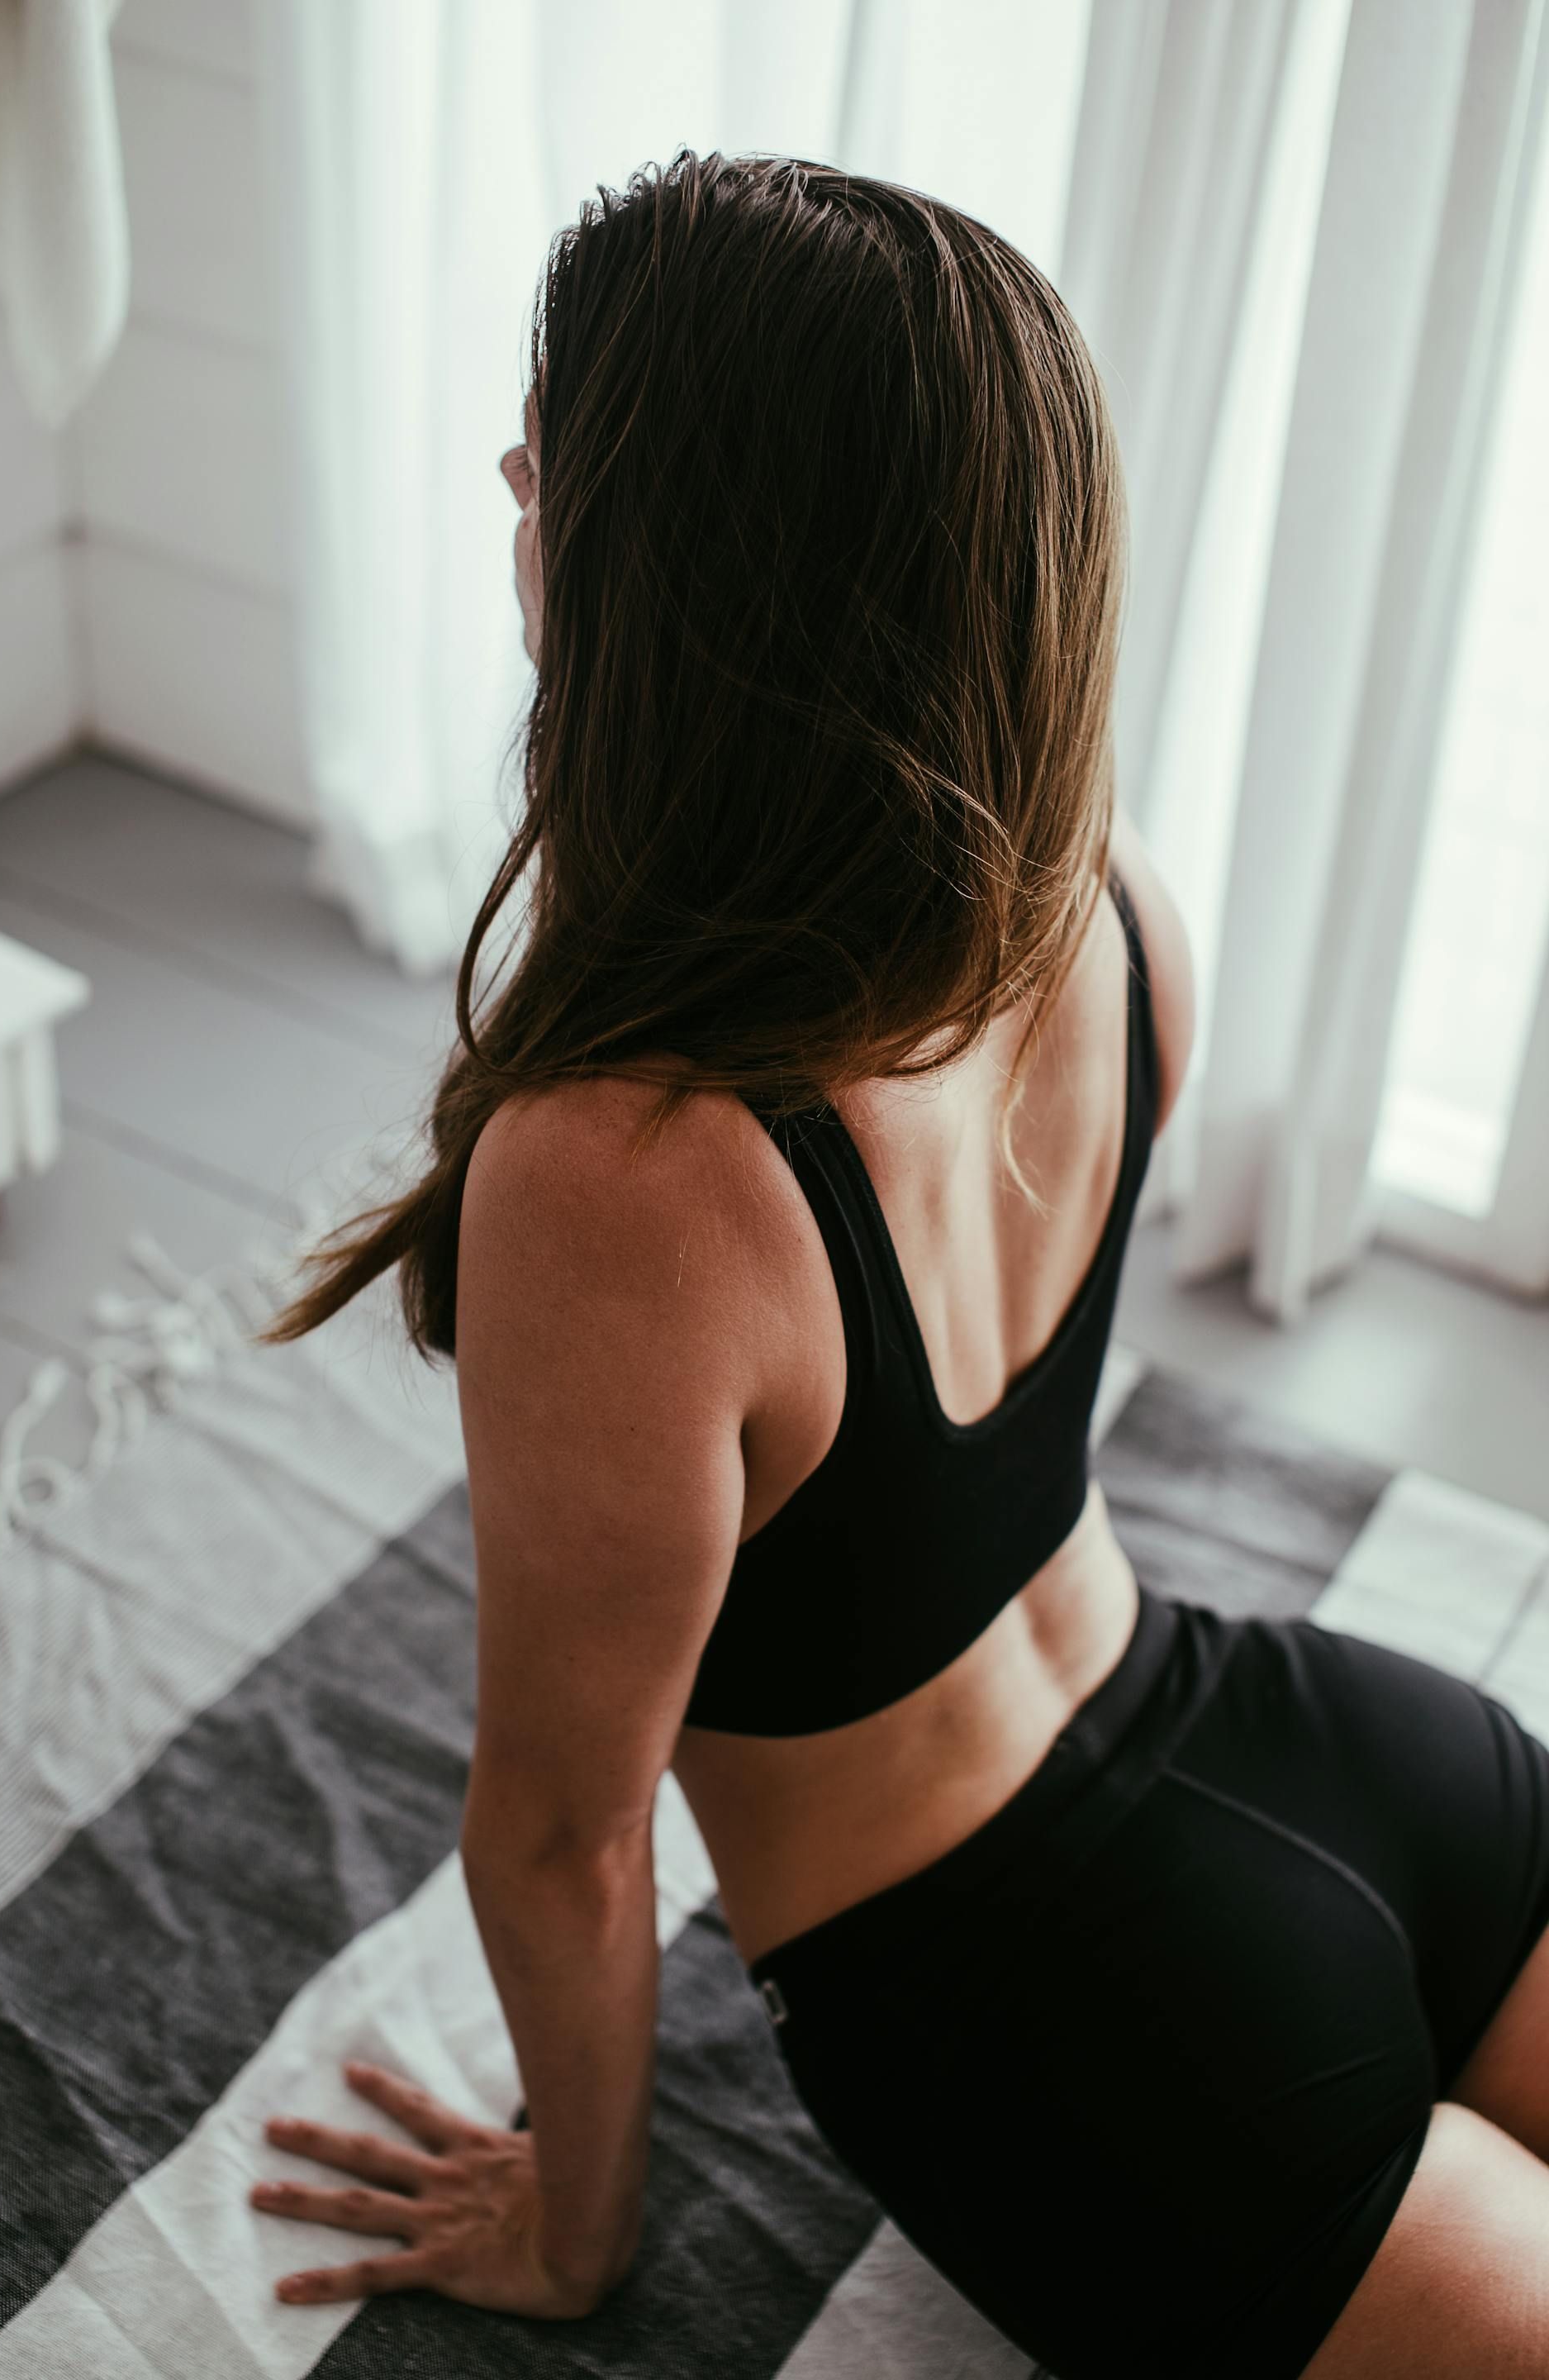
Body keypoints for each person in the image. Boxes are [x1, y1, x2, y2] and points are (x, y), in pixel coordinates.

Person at [246, 150, 1549, 2378]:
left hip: (1081, 2022)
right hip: (1367, 1757)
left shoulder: (620, 1175)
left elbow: (564, 1834)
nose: (510, 473)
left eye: (559, 444)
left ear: (696, 579)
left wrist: (577, 2237)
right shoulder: (1116, 906)